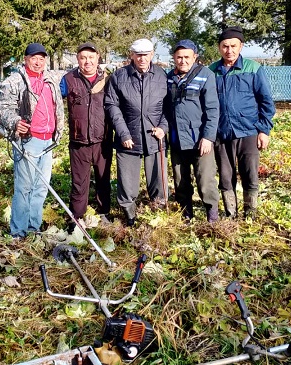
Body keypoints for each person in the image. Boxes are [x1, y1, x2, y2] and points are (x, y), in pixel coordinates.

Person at [0, 42, 65, 238]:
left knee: (41, 187)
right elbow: (3, 109)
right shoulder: (14, 81)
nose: (38, 62)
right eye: (34, 58)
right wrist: (15, 122)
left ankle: (34, 228)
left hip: (48, 141)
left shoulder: (51, 79)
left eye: (41, 58)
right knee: (24, 188)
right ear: (25, 59)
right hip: (28, 141)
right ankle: (18, 232)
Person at [209, 26, 275, 219]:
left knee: (250, 174)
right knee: (226, 175)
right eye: (225, 46)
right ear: (219, 48)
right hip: (222, 133)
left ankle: (250, 214)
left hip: (248, 131)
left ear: (241, 46)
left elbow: (266, 102)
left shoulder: (253, 69)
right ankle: (231, 214)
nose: (229, 50)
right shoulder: (212, 71)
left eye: (233, 46)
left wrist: (264, 130)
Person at [104, 38, 168, 226]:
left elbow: (169, 107)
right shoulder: (119, 76)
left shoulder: (161, 76)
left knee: (158, 181)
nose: (142, 58)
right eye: (138, 55)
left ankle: (157, 216)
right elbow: (112, 105)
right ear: (131, 55)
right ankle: (130, 217)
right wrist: (123, 133)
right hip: (129, 138)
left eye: (146, 55)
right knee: (127, 183)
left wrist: (163, 128)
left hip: (154, 138)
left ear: (152, 55)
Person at [165, 40, 220, 222]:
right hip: (177, 139)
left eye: (187, 57)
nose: (183, 61)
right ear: (174, 58)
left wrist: (208, 137)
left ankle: (212, 217)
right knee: (181, 181)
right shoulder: (169, 78)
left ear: (195, 57)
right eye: (179, 57)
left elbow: (212, 109)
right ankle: (186, 215)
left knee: (205, 181)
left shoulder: (205, 75)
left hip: (199, 139)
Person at [60, 42, 112, 231]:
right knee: (79, 181)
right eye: (83, 58)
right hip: (78, 140)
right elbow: (54, 103)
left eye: (91, 57)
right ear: (78, 59)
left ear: (98, 57)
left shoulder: (108, 80)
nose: (87, 61)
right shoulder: (68, 79)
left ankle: (104, 212)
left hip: (102, 140)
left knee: (103, 178)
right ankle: (77, 217)